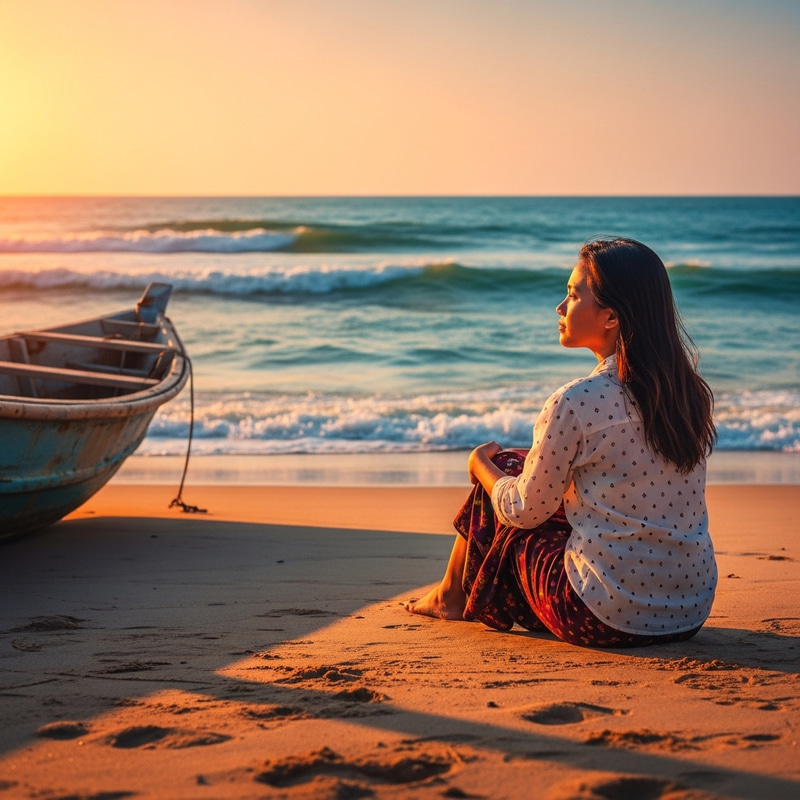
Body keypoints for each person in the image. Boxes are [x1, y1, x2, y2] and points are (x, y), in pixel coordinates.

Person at [406, 237, 718, 647]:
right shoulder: (688, 391)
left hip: (602, 614)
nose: (560, 307)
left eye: (572, 295)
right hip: (689, 610)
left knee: (504, 473)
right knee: (526, 466)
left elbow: (524, 512)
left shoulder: (576, 400)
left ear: (610, 316)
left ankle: (450, 596)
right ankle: (450, 593)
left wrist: (480, 465)